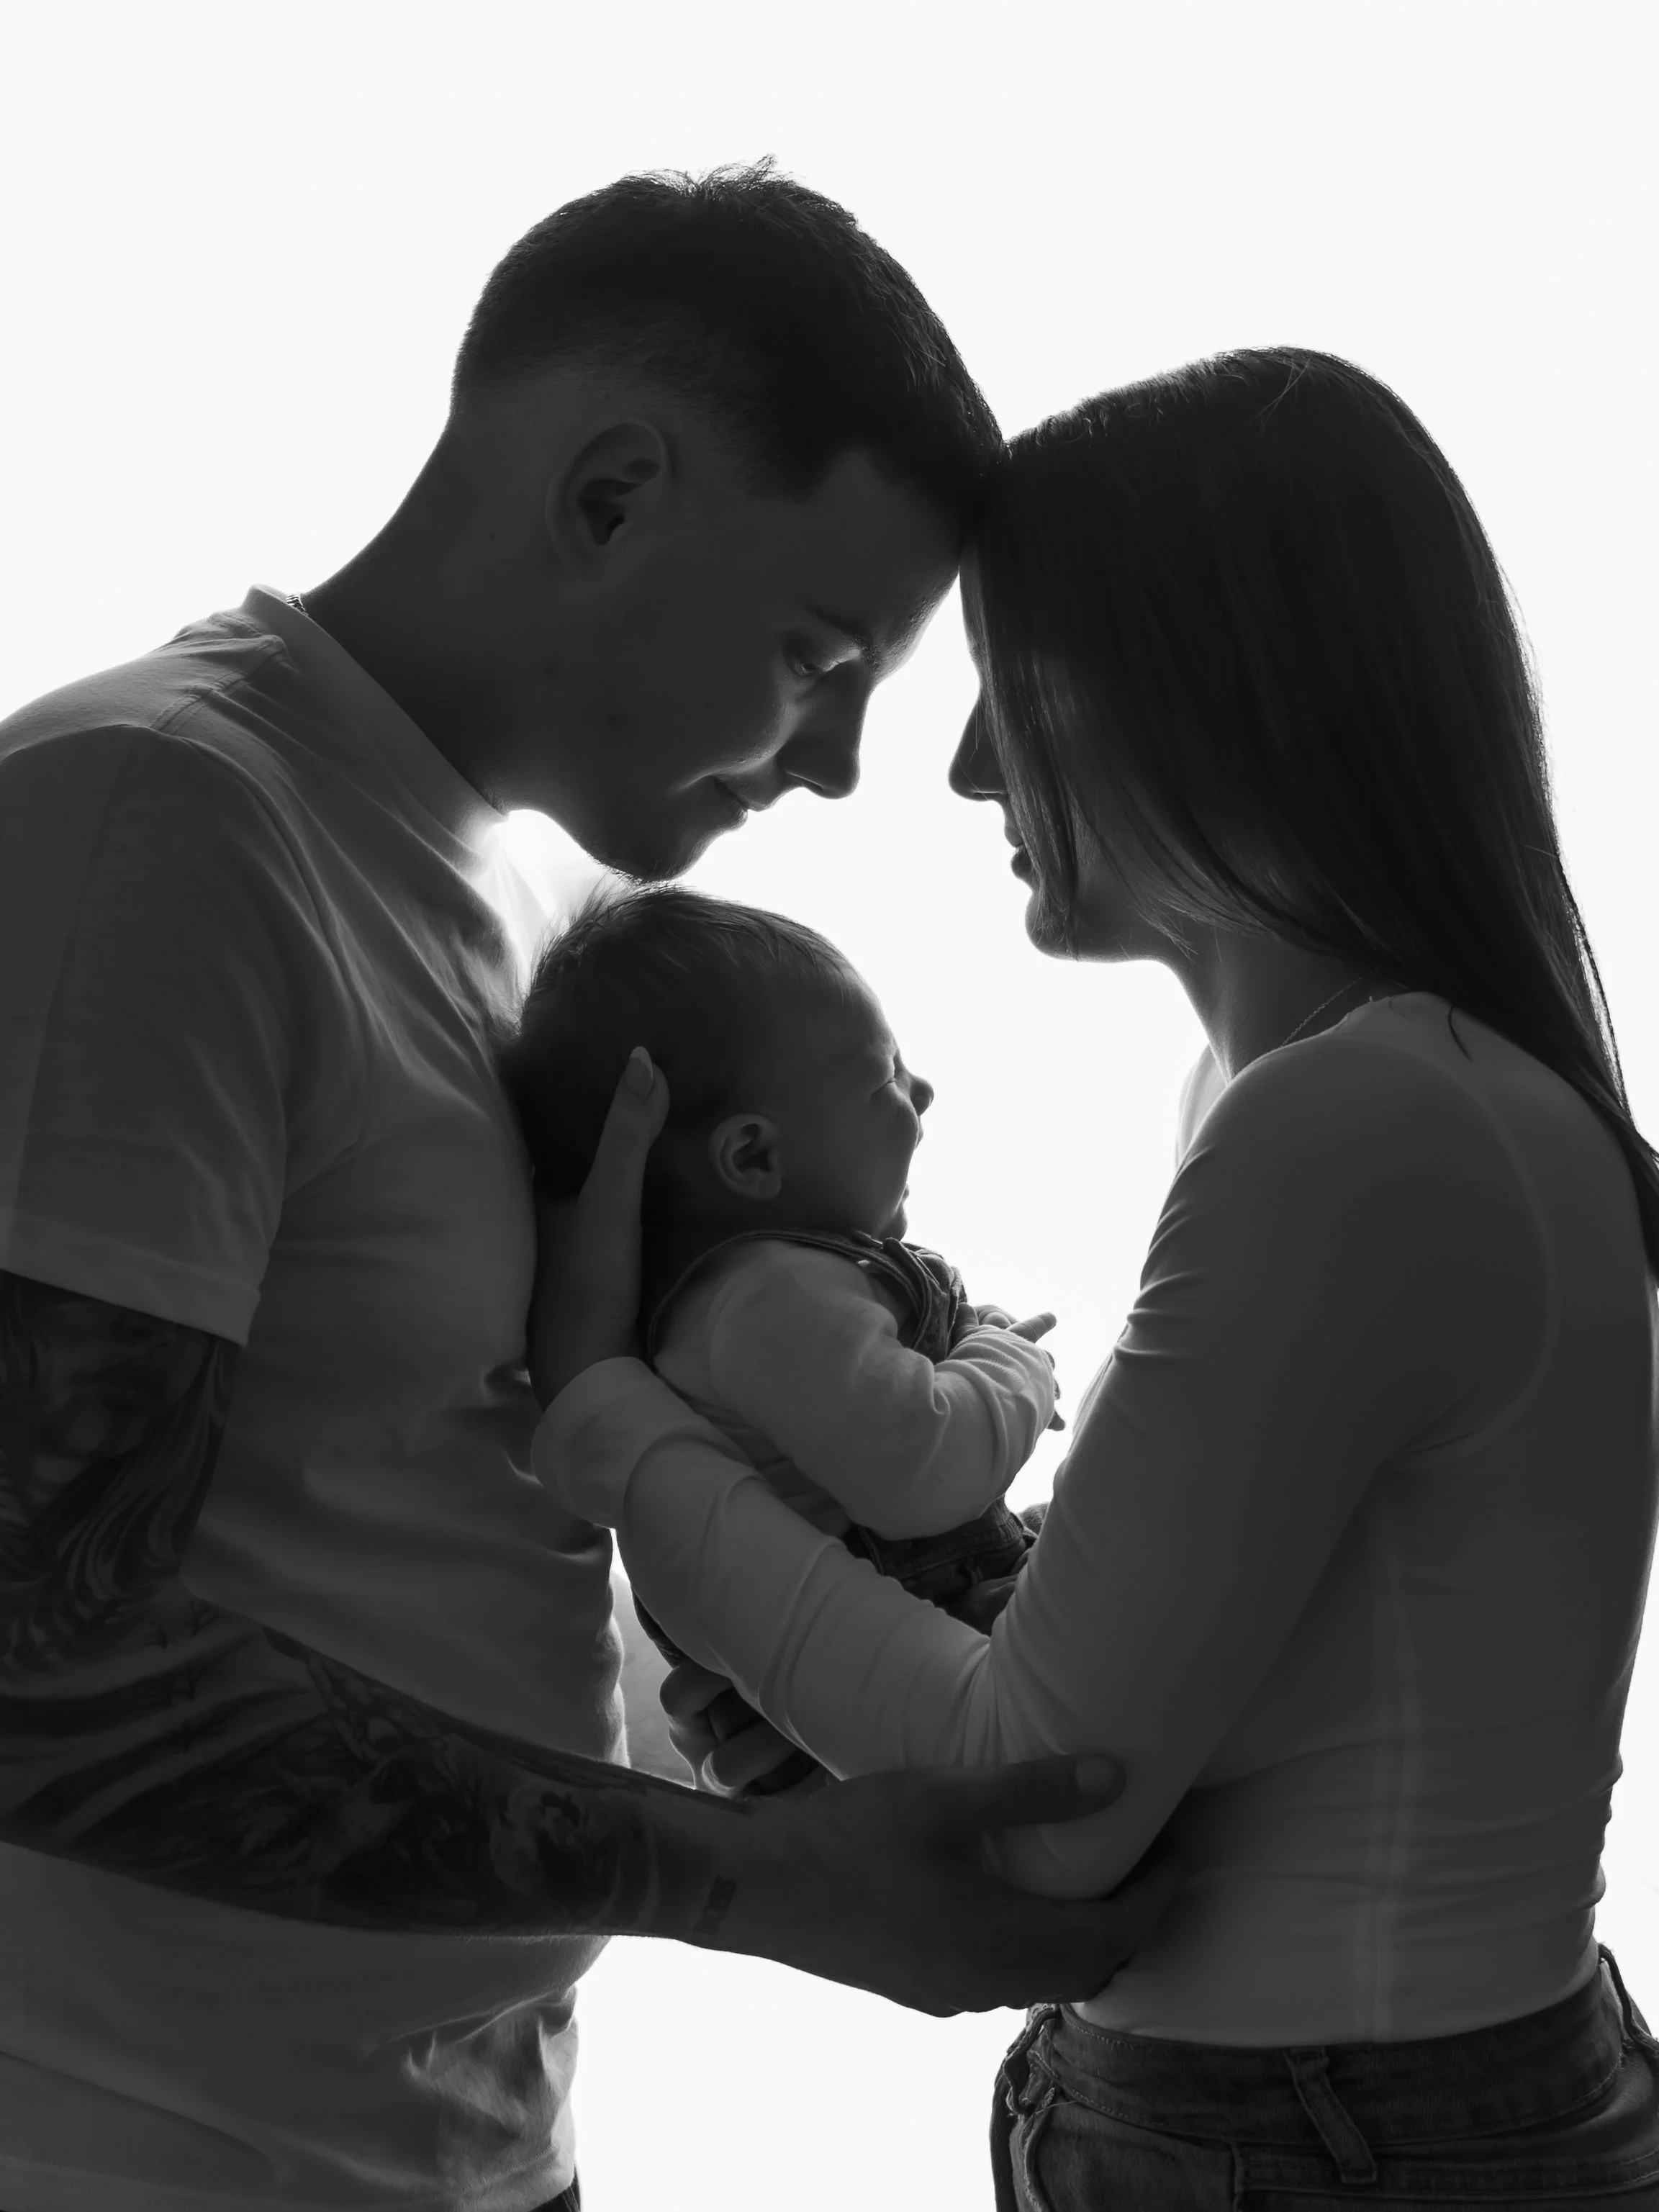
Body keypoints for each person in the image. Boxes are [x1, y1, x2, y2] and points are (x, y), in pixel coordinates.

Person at [0, 166, 1182, 2212]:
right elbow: (33, 1660)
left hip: (462, 2141)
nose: (838, 763)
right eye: (819, 655)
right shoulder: (157, 829)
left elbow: (409, 1520)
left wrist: (793, 1685)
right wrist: (757, 1882)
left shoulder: (527, 902)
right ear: (612, 495)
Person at [536, 348, 1659, 2206]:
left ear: (1215, 690)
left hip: (1331, 2143)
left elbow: (1037, 1810)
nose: (971, 761)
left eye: (1015, 682)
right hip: (1347, 2115)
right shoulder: (1339, 1094)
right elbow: (1264, 1655)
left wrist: (613, 1426)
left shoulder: (1359, 1127)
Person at [498, 882, 1061, 1741]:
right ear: (753, 1155)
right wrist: (1013, 1358)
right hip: (926, 1684)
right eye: (886, 1074)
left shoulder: (764, 1295)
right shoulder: (768, 1295)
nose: (923, 1091)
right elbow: (922, 1464)